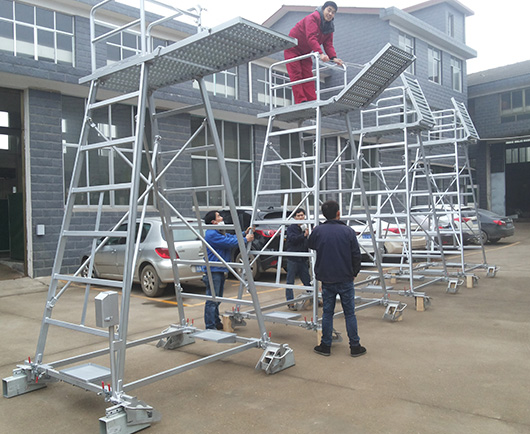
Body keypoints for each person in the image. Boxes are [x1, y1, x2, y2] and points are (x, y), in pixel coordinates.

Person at [307, 200, 366, 357]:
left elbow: (310, 244)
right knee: (349, 313)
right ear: (338, 213)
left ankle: (325, 345)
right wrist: (354, 272)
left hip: (327, 279)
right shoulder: (348, 231)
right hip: (345, 278)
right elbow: (356, 255)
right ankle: (355, 346)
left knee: (327, 313)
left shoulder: (319, 231)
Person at [202, 210, 254, 330]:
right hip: (213, 270)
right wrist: (245, 239)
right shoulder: (211, 234)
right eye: (219, 216)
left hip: (219, 269)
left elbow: (231, 237)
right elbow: (229, 242)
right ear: (213, 222)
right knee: (212, 299)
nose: (222, 218)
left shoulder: (219, 232)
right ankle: (210, 326)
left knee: (217, 298)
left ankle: (215, 321)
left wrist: (243, 234)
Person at [284, 1, 344, 104]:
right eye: (329, 10)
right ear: (323, 9)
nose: (330, 14)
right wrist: (320, 53)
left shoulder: (329, 27)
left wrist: (334, 58)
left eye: (333, 12)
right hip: (292, 49)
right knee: (296, 74)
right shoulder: (312, 18)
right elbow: (311, 38)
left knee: (308, 75)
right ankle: (301, 101)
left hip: (306, 52)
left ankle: (312, 101)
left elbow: (328, 44)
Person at [285, 208, 312, 310]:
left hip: (303, 259)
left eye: (302, 215)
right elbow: (293, 239)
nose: (301, 217)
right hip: (293, 258)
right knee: (290, 281)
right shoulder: (292, 228)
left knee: (307, 280)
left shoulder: (307, 227)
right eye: (298, 216)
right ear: (295, 217)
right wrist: (303, 235)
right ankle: (290, 302)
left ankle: (313, 298)